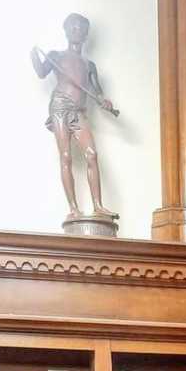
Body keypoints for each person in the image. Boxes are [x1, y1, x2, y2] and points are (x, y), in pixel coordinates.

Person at [31, 13, 119, 219]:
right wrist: (34, 55)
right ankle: (73, 209)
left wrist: (104, 101)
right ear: (66, 30)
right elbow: (41, 72)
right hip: (60, 107)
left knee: (92, 154)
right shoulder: (56, 56)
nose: (76, 31)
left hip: (79, 112)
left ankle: (98, 206)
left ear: (86, 34)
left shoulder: (90, 66)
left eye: (80, 28)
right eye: (73, 27)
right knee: (66, 156)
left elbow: (98, 93)